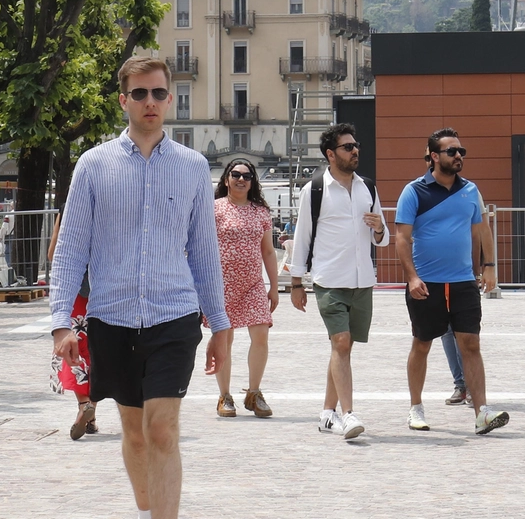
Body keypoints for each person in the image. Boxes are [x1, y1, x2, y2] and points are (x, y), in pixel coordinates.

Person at [50, 56, 230, 519]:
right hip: (112, 317)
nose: (149, 102)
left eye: (157, 93)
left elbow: (205, 252)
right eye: (139, 93)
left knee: (163, 430)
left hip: (174, 315)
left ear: (170, 98)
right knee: (134, 433)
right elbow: (71, 250)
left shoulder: (192, 167)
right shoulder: (93, 165)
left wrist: (221, 325)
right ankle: (150, 505)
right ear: (123, 99)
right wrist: (60, 324)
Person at [395, 128, 508, 435]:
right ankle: (415, 408)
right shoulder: (414, 191)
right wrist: (412, 277)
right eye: (452, 151)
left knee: (471, 343)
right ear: (434, 156)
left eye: (461, 152)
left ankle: (481, 411)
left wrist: (490, 267)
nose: (459, 156)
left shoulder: (470, 190)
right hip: (426, 283)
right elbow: (402, 238)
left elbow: (483, 230)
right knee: (422, 344)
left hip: (462, 282)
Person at [290, 123, 387, 441]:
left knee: (342, 348)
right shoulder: (314, 189)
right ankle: (348, 415)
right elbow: (302, 236)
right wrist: (296, 283)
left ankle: (326, 413)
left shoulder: (367, 188)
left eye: (356, 145)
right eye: (348, 147)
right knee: (341, 343)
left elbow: (382, 238)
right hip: (328, 280)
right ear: (331, 154)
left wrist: (378, 230)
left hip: (362, 281)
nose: (355, 150)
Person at [208, 159, 279, 418]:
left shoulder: (261, 211)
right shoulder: (213, 209)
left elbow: (268, 251)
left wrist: (273, 286)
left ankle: (254, 393)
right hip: (220, 285)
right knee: (224, 339)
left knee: (261, 335)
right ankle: (224, 396)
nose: (241, 179)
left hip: (252, 284)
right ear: (226, 179)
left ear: (253, 182)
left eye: (247, 176)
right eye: (235, 174)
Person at [47, 222, 99, 441]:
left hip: (76, 291)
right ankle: (91, 415)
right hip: (107, 289)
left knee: (74, 350)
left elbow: (53, 254)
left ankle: (84, 404)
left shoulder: (68, 207)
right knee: (100, 351)